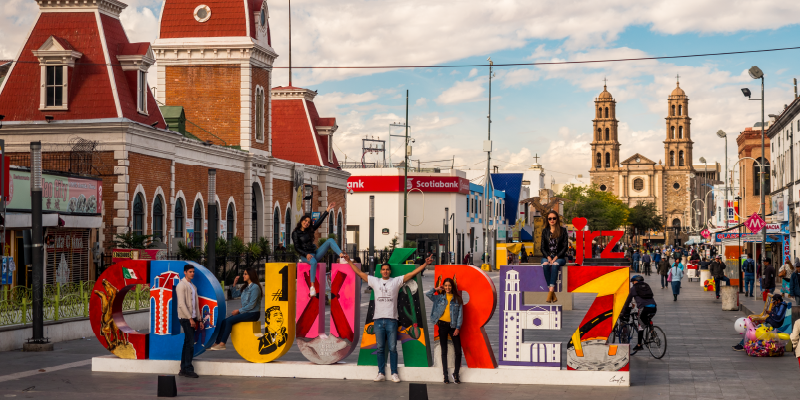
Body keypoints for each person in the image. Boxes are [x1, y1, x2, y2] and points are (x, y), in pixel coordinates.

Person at [344, 253, 432, 383]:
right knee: (380, 349)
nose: (385, 271)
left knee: (392, 348)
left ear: (390, 271)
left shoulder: (396, 281)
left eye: (387, 269)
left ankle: (394, 373)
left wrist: (425, 264)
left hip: (392, 320)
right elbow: (360, 273)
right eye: (383, 269)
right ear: (381, 271)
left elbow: (412, 273)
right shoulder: (375, 281)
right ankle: (381, 373)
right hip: (378, 321)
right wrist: (349, 262)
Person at [292, 202, 345, 297]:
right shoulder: (295, 233)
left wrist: (327, 210)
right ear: (301, 221)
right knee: (313, 262)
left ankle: (341, 255)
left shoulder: (310, 230)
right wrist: (306, 254)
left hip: (314, 253)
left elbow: (319, 222)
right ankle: (312, 287)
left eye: (308, 222)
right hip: (305, 256)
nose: (306, 223)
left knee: (330, 240)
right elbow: (297, 247)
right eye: (305, 221)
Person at [209, 268, 262, 350]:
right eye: (244, 274)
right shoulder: (246, 287)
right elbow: (234, 295)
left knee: (229, 321)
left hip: (253, 313)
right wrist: (234, 283)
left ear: (251, 275)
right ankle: (217, 343)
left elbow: (252, 305)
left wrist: (238, 311)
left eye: (245, 274)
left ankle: (222, 344)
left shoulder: (255, 287)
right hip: (246, 312)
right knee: (224, 321)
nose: (243, 275)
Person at [426, 278, 464, 384]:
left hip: (453, 327)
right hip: (442, 326)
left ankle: (456, 374)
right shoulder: (439, 298)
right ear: (444, 286)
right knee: (444, 351)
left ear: (452, 286)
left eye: (449, 285)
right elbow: (428, 294)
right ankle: (445, 375)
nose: (447, 287)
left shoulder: (458, 299)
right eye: (446, 285)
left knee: (458, 351)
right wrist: (436, 289)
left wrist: (458, 328)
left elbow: (460, 315)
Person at [177, 264, 202, 378]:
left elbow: (196, 304)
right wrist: (190, 318)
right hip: (185, 318)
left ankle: (183, 369)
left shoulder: (193, 286)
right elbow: (181, 304)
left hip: (193, 318)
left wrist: (199, 320)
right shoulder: (181, 285)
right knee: (190, 344)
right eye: (190, 272)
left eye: (193, 272)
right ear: (185, 272)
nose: (192, 273)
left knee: (188, 343)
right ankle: (187, 369)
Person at [620, 275, 657, 351]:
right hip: (654, 307)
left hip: (644, 308)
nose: (632, 283)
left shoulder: (633, 289)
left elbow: (627, 302)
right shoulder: (646, 286)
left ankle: (639, 345)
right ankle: (652, 331)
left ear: (635, 281)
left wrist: (624, 313)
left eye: (633, 282)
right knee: (647, 319)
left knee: (641, 325)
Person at [540, 210, 568, 303]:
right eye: (550, 218)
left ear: (557, 219)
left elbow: (565, 247)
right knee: (545, 264)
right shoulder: (545, 231)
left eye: (554, 218)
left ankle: (550, 290)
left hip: (559, 257)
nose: (552, 220)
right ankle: (552, 292)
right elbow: (542, 247)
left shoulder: (563, 230)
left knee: (555, 264)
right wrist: (548, 257)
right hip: (547, 256)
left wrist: (555, 257)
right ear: (547, 220)